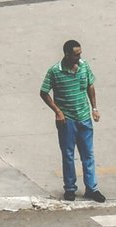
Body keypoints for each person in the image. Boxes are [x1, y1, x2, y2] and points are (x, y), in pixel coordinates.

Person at [40, 39, 104, 203]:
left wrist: (94, 108)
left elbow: (90, 85)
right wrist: (57, 111)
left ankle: (92, 188)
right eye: (76, 54)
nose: (79, 57)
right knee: (68, 155)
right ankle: (70, 188)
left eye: (80, 53)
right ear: (67, 55)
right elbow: (44, 92)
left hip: (84, 117)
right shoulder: (55, 71)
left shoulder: (84, 66)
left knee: (88, 154)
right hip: (67, 121)